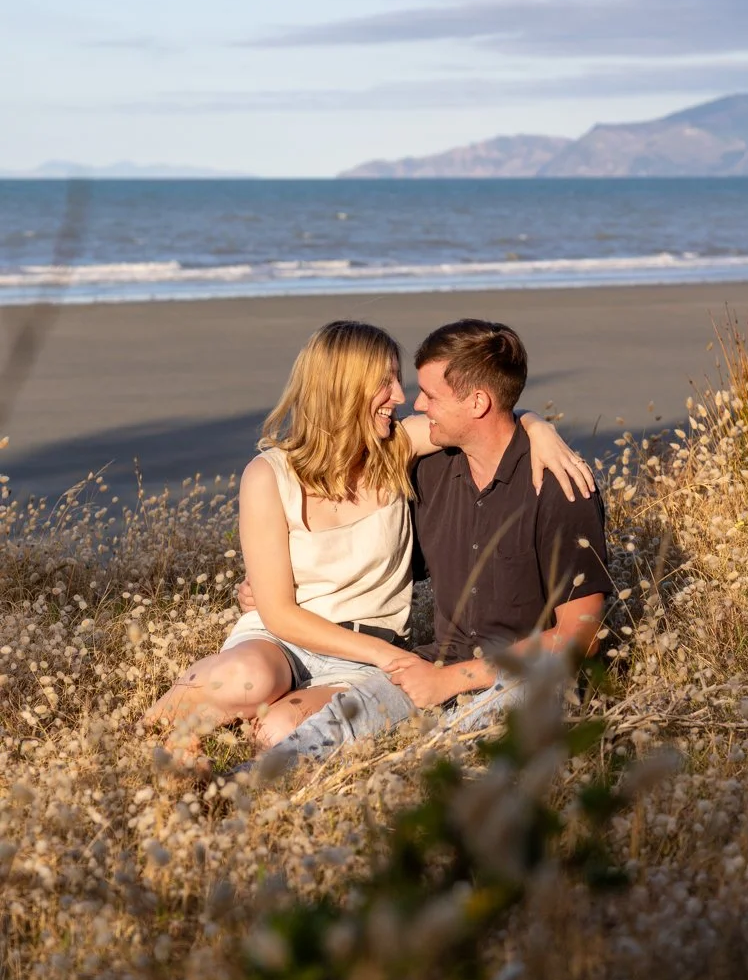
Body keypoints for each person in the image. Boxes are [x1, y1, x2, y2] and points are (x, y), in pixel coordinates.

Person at [144, 319, 592, 762]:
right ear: (343, 388)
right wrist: (392, 657)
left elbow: (488, 418)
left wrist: (538, 426)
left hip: (362, 662)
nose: (401, 397)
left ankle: (232, 746)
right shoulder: (268, 475)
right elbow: (278, 613)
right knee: (250, 680)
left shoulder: (397, 448)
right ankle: (163, 731)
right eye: (386, 381)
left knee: (279, 730)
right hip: (284, 640)